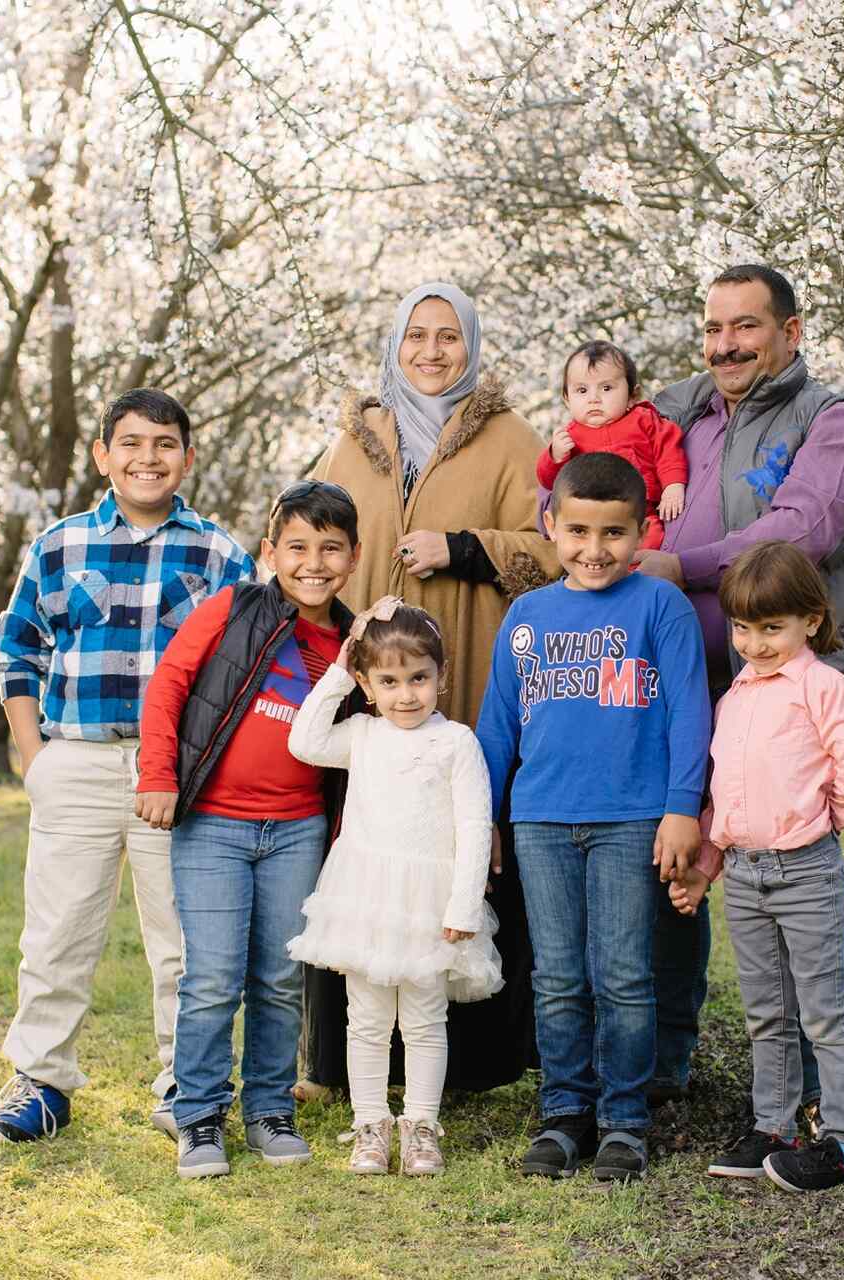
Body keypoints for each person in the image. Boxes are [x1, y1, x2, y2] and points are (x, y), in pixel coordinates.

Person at [635, 263, 844, 1116]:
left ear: (791, 331)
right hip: (679, 683)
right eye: (713, 328)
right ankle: (666, 1063)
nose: (725, 345)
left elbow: (800, 532)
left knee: (785, 884)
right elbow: (599, 448)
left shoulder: (834, 422)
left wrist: (682, 565)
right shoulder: (682, 413)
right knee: (677, 857)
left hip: (784, 694)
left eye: (745, 326)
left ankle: (812, 1092)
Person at [306, 281, 558, 1095]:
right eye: (416, 335)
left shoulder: (511, 439)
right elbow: (308, 531)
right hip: (365, 690)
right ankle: (342, 1062)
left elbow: (556, 547)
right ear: (395, 343)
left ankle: (469, 1064)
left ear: (471, 345)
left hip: (463, 674)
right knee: (364, 845)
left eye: (449, 336)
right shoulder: (357, 440)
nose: (431, 351)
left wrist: (465, 547)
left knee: (455, 838)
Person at [0, 388, 253, 1144]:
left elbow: (246, 666)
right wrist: (35, 758)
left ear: (187, 457)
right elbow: (17, 651)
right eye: (130, 443)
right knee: (58, 931)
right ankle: (41, 1081)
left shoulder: (220, 554)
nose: (147, 458)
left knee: (184, 939)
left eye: (165, 444)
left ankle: (186, 1084)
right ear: (103, 455)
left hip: (177, 774)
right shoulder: (60, 545)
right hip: (77, 760)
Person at [476, 453, 712, 1183]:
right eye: (578, 531)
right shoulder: (527, 615)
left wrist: (681, 809)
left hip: (632, 819)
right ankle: (564, 1114)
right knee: (556, 976)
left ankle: (624, 1120)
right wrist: (485, 818)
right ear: (551, 525)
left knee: (623, 975)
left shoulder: (660, 607)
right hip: (541, 819)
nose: (595, 549)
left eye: (614, 533)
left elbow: (690, 713)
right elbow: (497, 727)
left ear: (641, 533)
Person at [133, 480, 365, 1179]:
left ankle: (269, 1109)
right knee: (212, 977)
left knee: (279, 977)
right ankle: (199, 1113)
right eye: (297, 547)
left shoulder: (355, 643)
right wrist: (158, 775)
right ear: (270, 551)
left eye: (331, 549)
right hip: (213, 824)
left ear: (353, 556)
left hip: (297, 829)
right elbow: (168, 686)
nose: (313, 563)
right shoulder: (232, 609)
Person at [669, 540, 844, 1192]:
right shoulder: (734, 697)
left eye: (771, 628)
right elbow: (727, 801)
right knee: (767, 1013)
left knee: (823, 1012)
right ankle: (774, 1127)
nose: (754, 643)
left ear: (810, 621)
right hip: (746, 878)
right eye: (742, 628)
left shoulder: (824, 689)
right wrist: (707, 866)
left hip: (807, 873)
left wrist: (818, 824)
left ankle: (842, 1140)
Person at [287, 598, 501, 1176]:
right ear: (367, 684)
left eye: (419, 679)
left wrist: (464, 905)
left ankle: (422, 1126)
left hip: (430, 901)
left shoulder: (456, 741)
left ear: (441, 676)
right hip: (368, 897)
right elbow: (304, 741)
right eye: (388, 681)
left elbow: (474, 825)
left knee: (426, 1018)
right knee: (368, 1018)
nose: (406, 695)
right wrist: (340, 669)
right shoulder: (361, 734)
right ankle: (370, 1125)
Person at [536, 340, 687, 550]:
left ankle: (637, 571)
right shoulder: (568, 438)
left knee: (650, 541)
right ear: (567, 399)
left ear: (633, 395)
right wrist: (556, 456)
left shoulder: (644, 420)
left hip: (639, 514)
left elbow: (668, 451)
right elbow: (549, 481)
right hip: (590, 521)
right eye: (582, 390)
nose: (594, 399)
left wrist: (673, 485)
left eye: (606, 388)